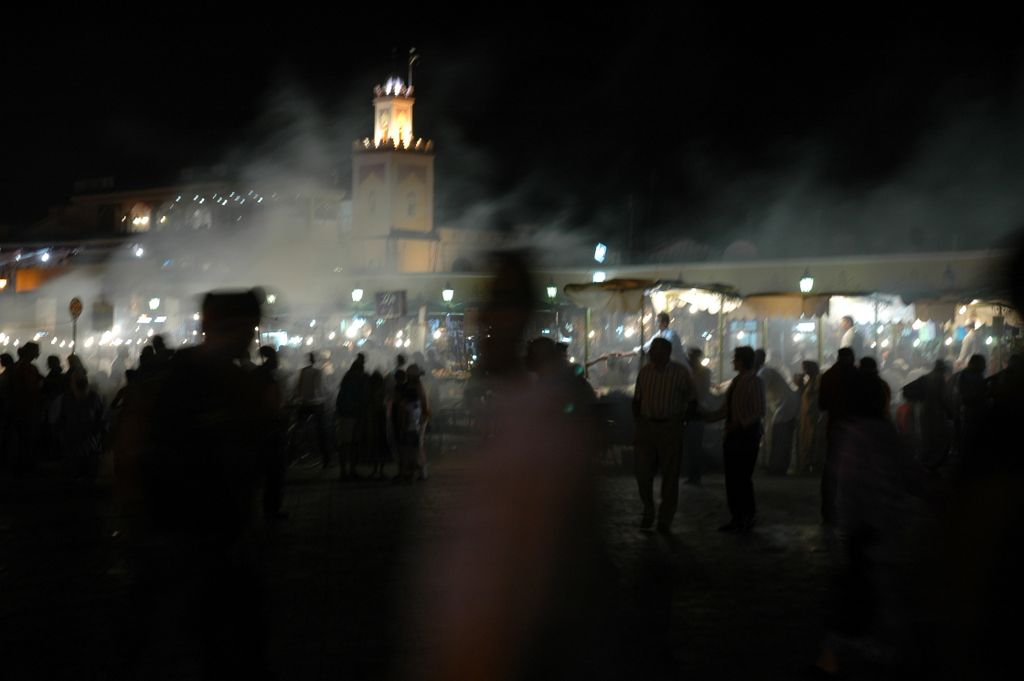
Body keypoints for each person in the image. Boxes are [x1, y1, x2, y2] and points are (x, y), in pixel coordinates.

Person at [632, 337, 695, 533]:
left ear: (666, 353)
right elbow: (637, 400)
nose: (651, 353)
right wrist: (639, 422)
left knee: (670, 475)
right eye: (652, 350)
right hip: (647, 427)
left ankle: (665, 518)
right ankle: (648, 509)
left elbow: (691, 400)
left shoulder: (680, 373)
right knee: (643, 473)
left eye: (655, 350)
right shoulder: (644, 373)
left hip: (670, 427)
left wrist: (682, 421)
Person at [704, 346, 765, 532]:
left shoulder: (753, 381)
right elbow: (727, 409)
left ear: (742, 361)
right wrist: (709, 417)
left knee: (742, 478)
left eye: (735, 358)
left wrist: (739, 424)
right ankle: (738, 516)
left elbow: (759, 410)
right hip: (733, 434)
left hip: (746, 435)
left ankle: (746, 516)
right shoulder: (738, 381)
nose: (732, 361)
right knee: (732, 478)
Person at [819, 348, 861, 526]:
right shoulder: (858, 376)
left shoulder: (828, 376)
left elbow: (822, 405)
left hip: (835, 426)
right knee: (855, 471)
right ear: (851, 358)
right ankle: (852, 511)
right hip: (856, 429)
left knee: (832, 471)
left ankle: (829, 512)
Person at [256, 346, 288, 520]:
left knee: (272, 472)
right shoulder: (267, 378)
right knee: (275, 472)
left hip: (267, 428)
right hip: (271, 428)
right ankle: (271, 509)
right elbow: (271, 405)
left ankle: (270, 508)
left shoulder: (260, 375)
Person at [294, 351, 331, 468]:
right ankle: (326, 459)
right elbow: (321, 387)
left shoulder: (303, 371)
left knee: (299, 427)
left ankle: (295, 453)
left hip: (304, 403)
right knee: (322, 430)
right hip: (317, 403)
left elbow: (298, 387)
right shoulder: (318, 372)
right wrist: (327, 395)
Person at [336, 353, 369, 481]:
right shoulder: (358, 379)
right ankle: (351, 471)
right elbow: (362, 397)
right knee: (352, 444)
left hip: (344, 414)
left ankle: (344, 472)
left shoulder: (347, 378)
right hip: (353, 414)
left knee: (345, 444)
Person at [684, 347, 712, 484]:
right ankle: (693, 475)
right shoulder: (696, 372)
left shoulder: (702, 373)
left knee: (695, 445)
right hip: (693, 411)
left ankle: (695, 475)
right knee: (693, 445)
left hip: (697, 410)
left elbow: (698, 394)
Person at [794, 360, 825, 474]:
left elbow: (815, 394)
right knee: (806, 440)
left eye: (806, 368)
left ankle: (814, 464)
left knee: (814, 440)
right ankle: (806, 464)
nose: (804, 371)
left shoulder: (818, 379)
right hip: (806, 415)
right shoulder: (810, 381)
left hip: (814, 415)